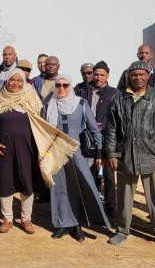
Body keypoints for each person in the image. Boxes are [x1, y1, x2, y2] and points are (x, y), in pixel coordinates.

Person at [105, 61, 155, 252]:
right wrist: (111, 153)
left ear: (148, 76)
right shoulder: (119, 99)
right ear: (129, 76)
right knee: (125, 197)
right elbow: (111, 129)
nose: (138, 78)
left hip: (151, 155)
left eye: (141, 75)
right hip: (125, 155)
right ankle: (122, 230)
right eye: (134, 75)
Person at [44, 74, 110, 242]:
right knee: (59, 189)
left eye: (65, 85)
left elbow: (94, 129)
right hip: (56, 155)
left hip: (77, 154)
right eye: (58, 85)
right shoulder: (48, 106)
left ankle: (77, 225)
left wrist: (100, 152)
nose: (61, 88)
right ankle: (62, 224)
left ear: (70, 86)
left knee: (79, 187)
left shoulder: (80, 104)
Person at [0, 69, 45, 234]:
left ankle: (26, 219)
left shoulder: (32, 98)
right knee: (5, 181)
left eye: (19, 80)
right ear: (7, 81)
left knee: (27, 182)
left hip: (28, 148)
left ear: (24, 81)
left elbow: (41, 123)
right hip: (4, 149)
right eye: (12, 80)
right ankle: (7, 219)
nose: (16, 83)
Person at [77, 61, 119, 217]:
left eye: (102, 75)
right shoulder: (82, 91)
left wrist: (104, 124)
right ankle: (90, 202)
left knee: (107, 174)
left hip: (107, 137)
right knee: (89, 171)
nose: (98, 77)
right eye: (96, 74)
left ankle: (110, 205)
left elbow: (117, 116)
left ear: (107, 76)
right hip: (87, 137)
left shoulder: (115, 93)